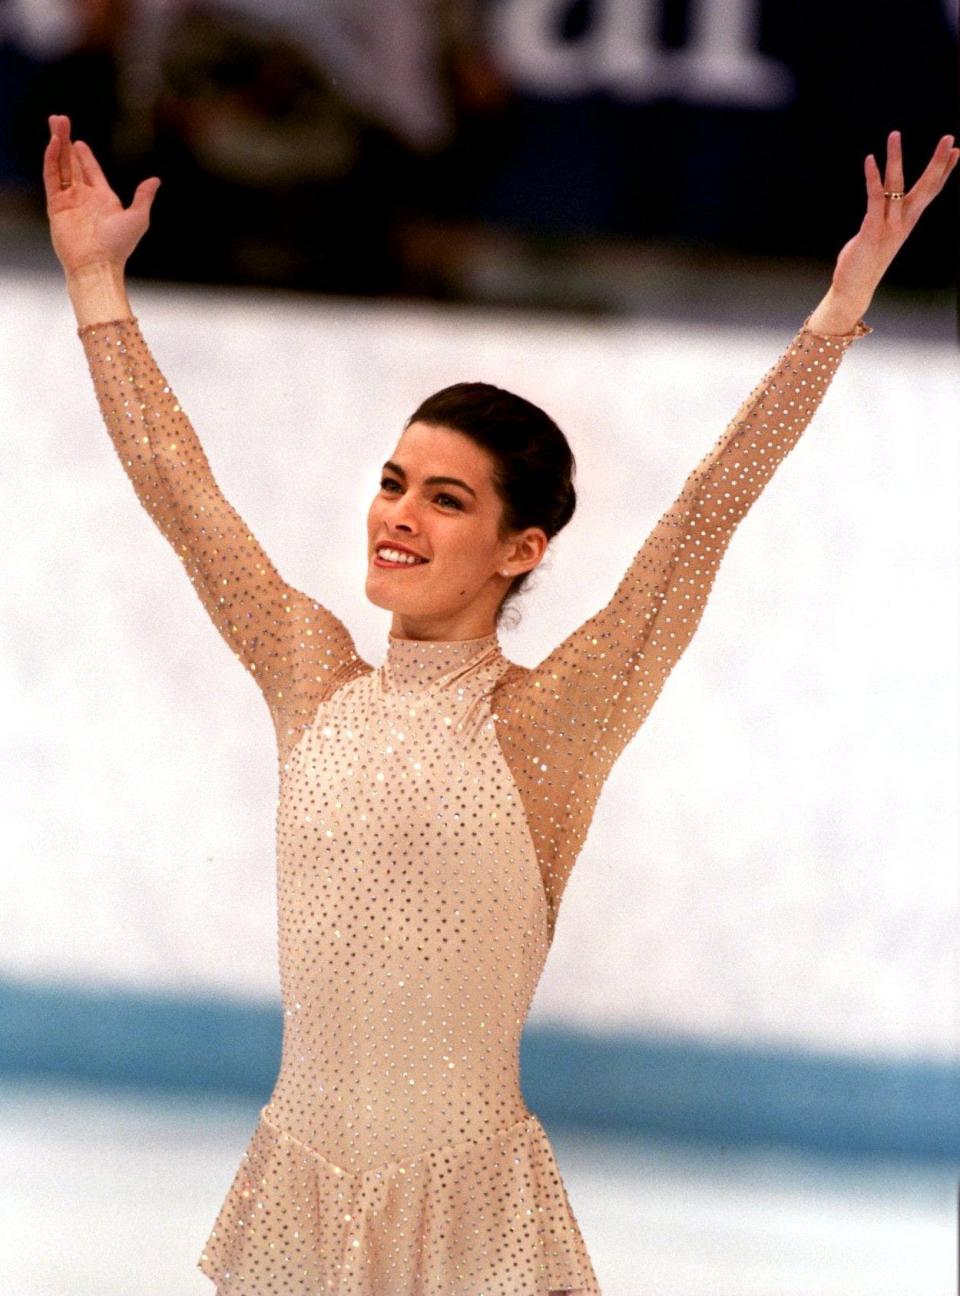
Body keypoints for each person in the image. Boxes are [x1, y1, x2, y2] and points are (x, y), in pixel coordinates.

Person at [43, 112, 957, 1296]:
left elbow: (698, 524)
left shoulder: (543, 726)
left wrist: (832, 321)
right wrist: (98, 286)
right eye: (391, 483)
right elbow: (182, 492)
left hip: (475, 1234)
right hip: (301, 1211)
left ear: (521, 548)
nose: (398, 516)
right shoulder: (310, 672)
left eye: (445, 499)